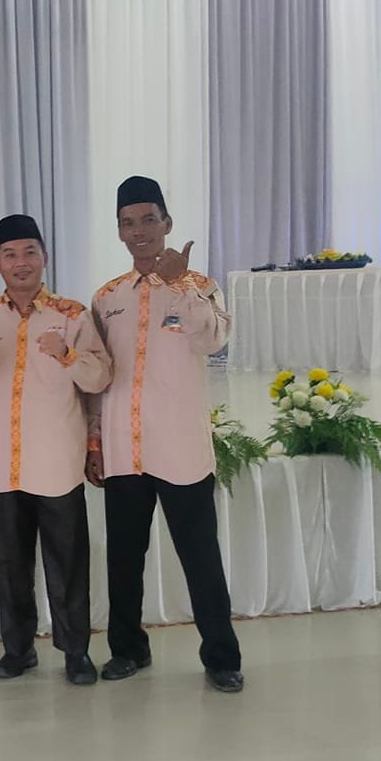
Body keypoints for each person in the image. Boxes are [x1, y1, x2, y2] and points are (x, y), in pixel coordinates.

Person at [91, 176, 244, 693]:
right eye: (128, 223)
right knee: (123, 557)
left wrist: (180, 287)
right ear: (119, 231)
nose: (139, 231)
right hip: (124, 448)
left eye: (148, 220)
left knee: (200, 556)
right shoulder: (107, 298)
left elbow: (213, 340)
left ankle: (221, 657)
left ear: (167, 224)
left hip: (179, 447)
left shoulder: (200, 285)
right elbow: (99, 375)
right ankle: (127, 649)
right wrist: (95, 440)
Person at [0, 214, 110, 686]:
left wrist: (67, 356)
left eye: (30, 252)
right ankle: (18, 649)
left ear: (45, 257)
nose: (21, 262)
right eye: (10, 254)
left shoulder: (71, 315)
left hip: (56, 462)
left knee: (67, 562)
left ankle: (76, 651)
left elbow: (99, 379)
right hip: (1, 464)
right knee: (11, 563)